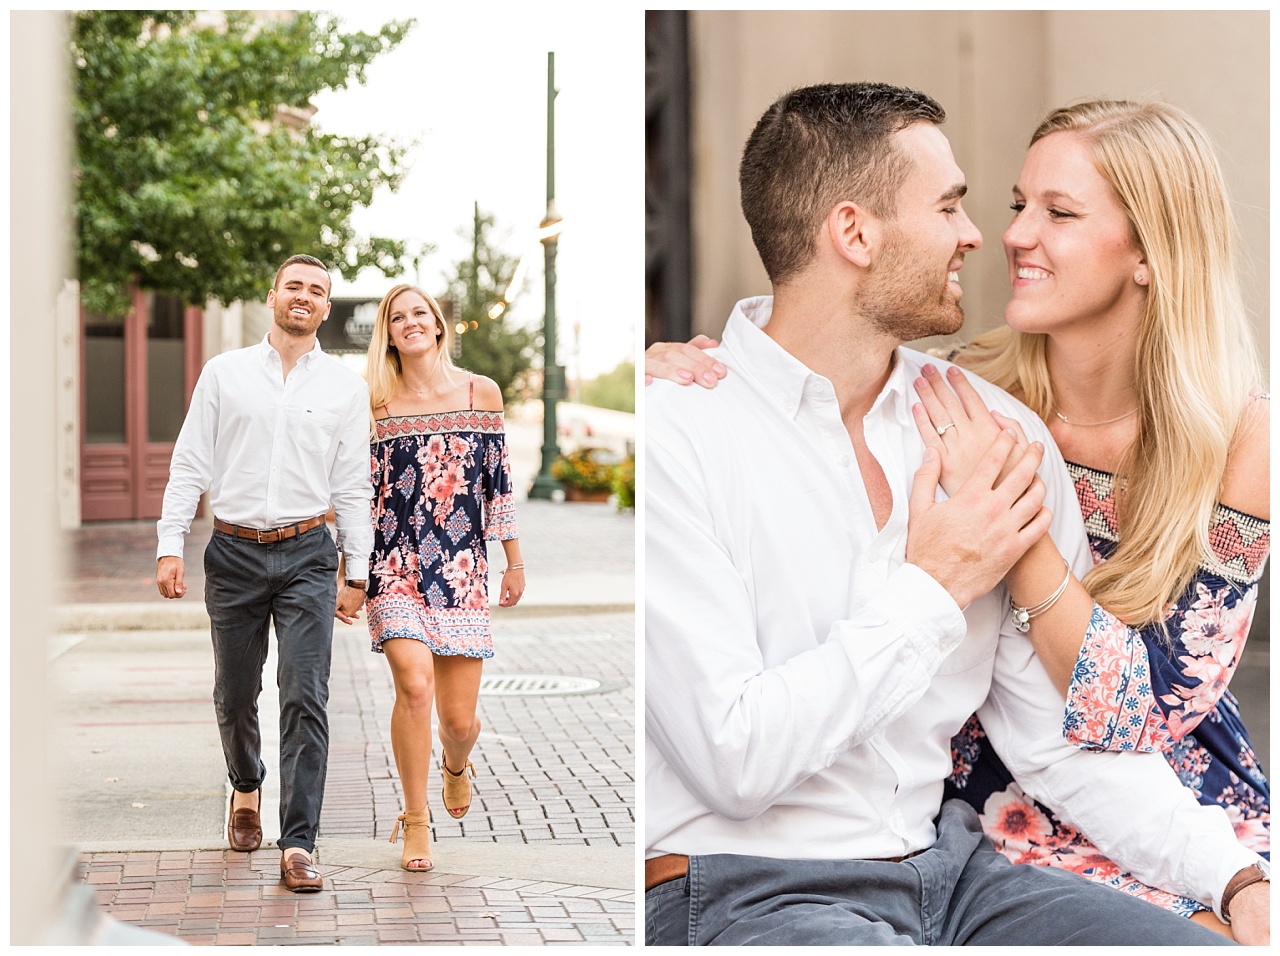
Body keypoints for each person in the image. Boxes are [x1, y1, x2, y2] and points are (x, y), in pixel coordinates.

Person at [644, 81, 1268, 945]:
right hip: (747, 886)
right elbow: (736, 761)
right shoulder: (679, 431)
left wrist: (1236, 878)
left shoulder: (991, 432)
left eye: (1050, 212)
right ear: (854, 233)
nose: (989, 235)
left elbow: (1056, 741)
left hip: (954, 870)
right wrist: (935, 584)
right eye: (954, 206)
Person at [157, 254, 373, 894]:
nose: (303, 297)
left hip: (309, 551)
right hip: (234, 552)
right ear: (274, 295)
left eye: (316, 291)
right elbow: (190, 460)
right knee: (234, 692)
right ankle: (245, 783)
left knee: (306, 694)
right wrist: (170, 543)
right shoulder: (224, 374)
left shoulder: (344, 388)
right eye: (294, 286)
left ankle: (299, 841)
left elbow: (353, 487)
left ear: (326, 308)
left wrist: (356, 570)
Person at [354, 283, 524, 871]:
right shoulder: (373, 402)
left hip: (462, 570)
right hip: (394, 565)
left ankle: (456, 763)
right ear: (388, 333)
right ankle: (415, 819)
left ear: (438, 324)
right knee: (414, 686)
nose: (410, 323)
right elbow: (359, 496)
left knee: (458, 721)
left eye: (418, 313)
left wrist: (514, 560)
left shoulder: (482, 394)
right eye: (397, 317)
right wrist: (351, 572)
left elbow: (497, 484)